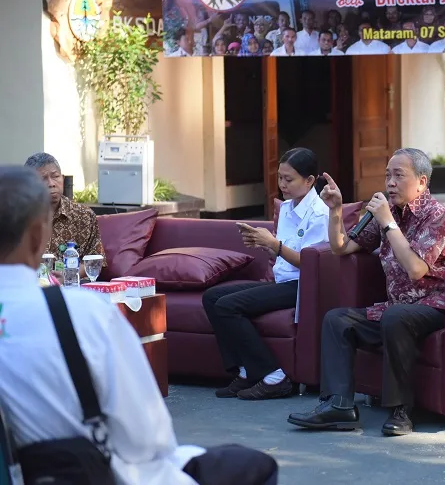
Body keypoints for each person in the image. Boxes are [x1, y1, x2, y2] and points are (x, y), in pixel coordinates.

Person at [0, 166, 277, 485]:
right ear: (38, 236)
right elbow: (146, 439)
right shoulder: (83, 314)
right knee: (251, 466)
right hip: (91, 473)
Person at [288, 148, 445, 436]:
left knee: (396, 317)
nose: (390, 183)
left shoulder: (437, 215)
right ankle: (339, 405)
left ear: (421, 182)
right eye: (387, 175)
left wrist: (388, 223)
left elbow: (416, 269)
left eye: (398, 175)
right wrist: (335, 211)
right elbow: (341, 247)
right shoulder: (387, 213)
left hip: (435, 306)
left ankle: (401, 410)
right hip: (396, 307)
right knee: (337, 319)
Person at [203, 148, 330, 401]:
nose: (282, 184)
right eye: (280, 177)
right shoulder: (285, 208)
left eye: (289, 179)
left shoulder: (320, 213)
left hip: (300, 286)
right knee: (212, 297)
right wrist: (265, 244)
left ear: (309, 181)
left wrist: (274, 245)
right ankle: (245, 370)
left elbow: (312, 263)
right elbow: (283, 251)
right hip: (281, 279)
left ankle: (274, 376)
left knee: (228, 306)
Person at [24, 152, 105, 280]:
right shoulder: (17, 216)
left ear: (62, 178)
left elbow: (94, 260)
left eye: (55, 176)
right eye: (43, 179)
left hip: (72, 287)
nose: (51, 183)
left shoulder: (83, 215)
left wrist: (69, 276)